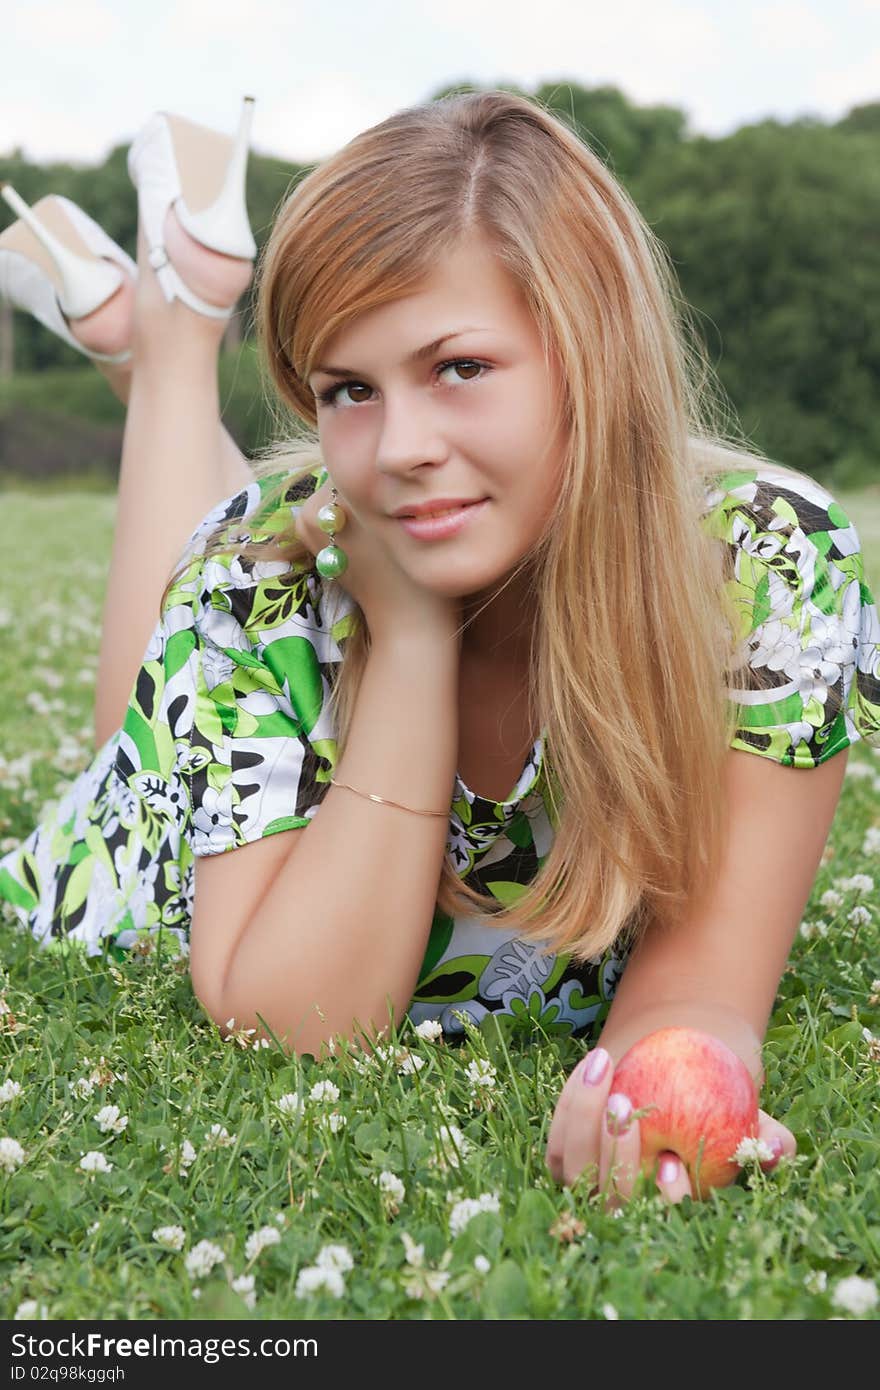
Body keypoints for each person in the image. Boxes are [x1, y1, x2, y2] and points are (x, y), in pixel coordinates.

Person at [1, 91, 878, 1208]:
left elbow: (703, 989)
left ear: (590, 350)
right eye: (347, 389)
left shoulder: (763, 565)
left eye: (459, 366)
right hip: (164, 865)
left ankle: (153, 329)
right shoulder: (265, 573)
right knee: (146, 716)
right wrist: (410, 633)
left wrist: (650, 1086)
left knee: (263, 579)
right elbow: (299, 1023)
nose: (405, 445)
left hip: (303, 625)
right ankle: (172, 340)